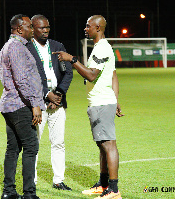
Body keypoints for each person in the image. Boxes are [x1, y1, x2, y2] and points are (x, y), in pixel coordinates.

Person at [53, 15, 124, 199]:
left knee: (108, 144)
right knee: (102, 145)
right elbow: (113, 75)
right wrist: (115, 100)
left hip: (101, 102)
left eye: (88, 26)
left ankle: (114, 189)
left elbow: (92, 75)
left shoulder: (102, 48)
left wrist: (72, 59)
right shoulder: (101, 47)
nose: (85, 29)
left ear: (98, 27)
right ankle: (103, 184)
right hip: (101, 101)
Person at [0, 14, 45, 199]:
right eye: (29, 26)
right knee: (31, 146)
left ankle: (9, 191)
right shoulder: (16, 47)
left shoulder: (8, 46)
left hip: (10, 105)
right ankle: (29, 194)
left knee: (13, 148)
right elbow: (22, 80)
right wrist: (35, 104)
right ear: (19, 28)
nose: (32, 29)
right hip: (20, 105)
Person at [26, 14, 73, 191]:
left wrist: (58, 94)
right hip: (38, 104)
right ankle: (33, 181)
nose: (45, 30)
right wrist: (47, 95)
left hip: (58, 103)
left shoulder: (57, 46)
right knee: (34, 144)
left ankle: (58, 180)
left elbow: (68, 73)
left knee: (58, 142)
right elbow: (28, 78)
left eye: (47, 27)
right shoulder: (27, 48)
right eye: (41, 28)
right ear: (32, 28)